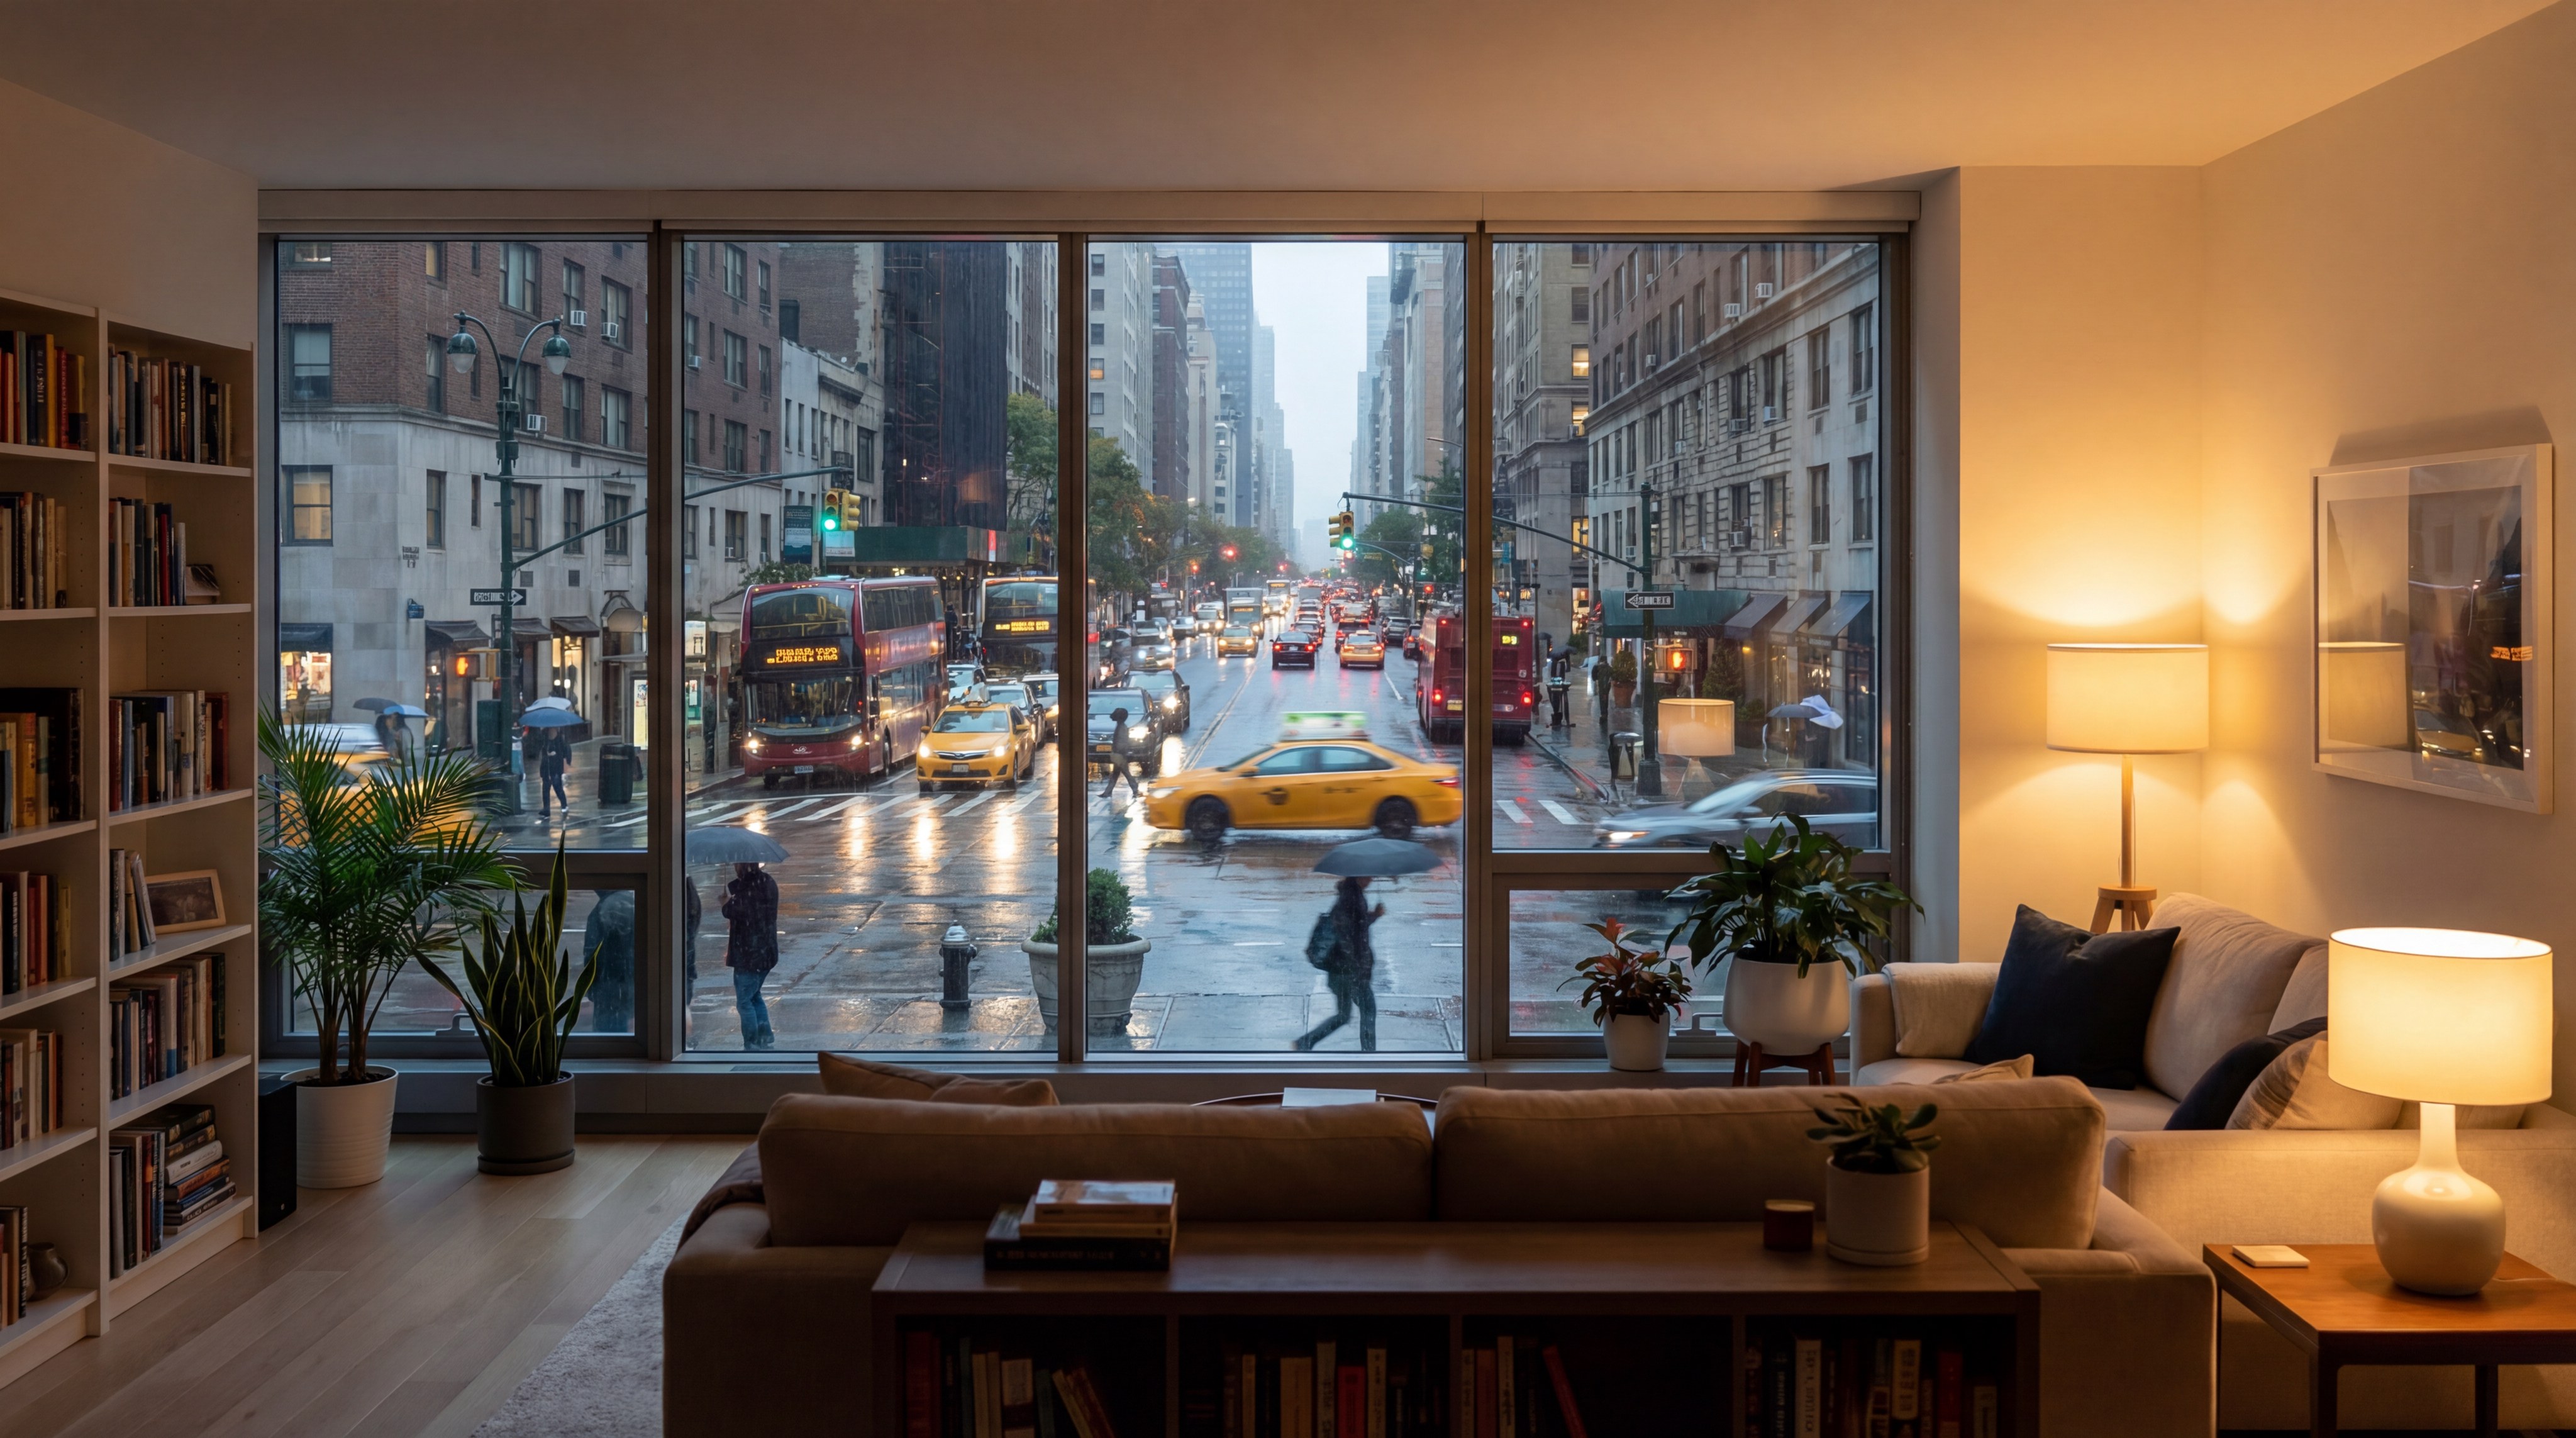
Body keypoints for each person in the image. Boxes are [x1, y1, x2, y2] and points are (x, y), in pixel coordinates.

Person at [1293, 876, 1383, 1052]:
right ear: (1358, 877)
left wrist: (1373, 916)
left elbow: (1355, 927)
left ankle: (1306, 1042)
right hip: (1349, 973)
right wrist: (1358, 970)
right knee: (1369, 1011)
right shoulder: (1351, 900)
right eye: (1368, 876)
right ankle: (1370, 1056)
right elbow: (1347, 938)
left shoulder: (1352, 897)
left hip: (1341, 972)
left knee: (1343, 1016)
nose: (1371, 879)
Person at [720, 861, 778, 1050]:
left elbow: (735, 911)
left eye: (737, 864)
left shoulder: (748, 891)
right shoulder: (767, 882)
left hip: (749, 955)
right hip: (766, 953)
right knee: (754, 996)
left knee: (745, 1001)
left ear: (743, 866)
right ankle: (764, 1036)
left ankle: (752, 1042)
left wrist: (725, 903)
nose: (734, 867)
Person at [1101, 706, 1148, 803]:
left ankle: (1135, 789)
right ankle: (1108, 792)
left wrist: (1118, 752)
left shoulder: (1122, 728)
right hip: (1120, 755)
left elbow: (1122, 743)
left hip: (1120, 755)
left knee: (1124, 773)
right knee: (1117, 774)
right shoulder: (1121, 726)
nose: (1112, 716)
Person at [536, 728, 572, 818]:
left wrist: (555, 755)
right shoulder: (544, 737)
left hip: (555, 767)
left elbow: (565, 751)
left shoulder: (560, 739)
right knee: (545, 789)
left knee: (558, 787)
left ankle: (564, 805)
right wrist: (546, 754)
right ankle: (546, 809)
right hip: (546, 767)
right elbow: (541, 750)